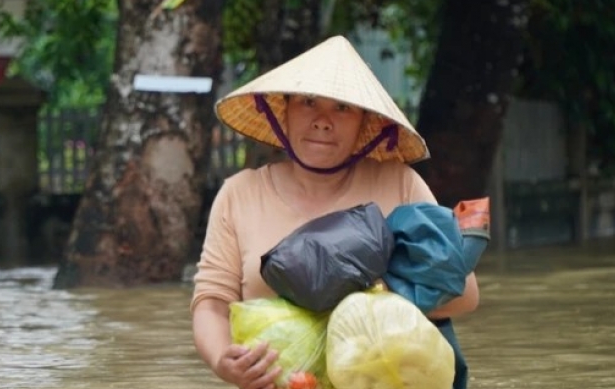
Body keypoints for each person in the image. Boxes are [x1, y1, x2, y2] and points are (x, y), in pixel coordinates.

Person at [190, 35, 480, 389]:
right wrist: (223, 361)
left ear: (364, 123)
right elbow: (212, 303)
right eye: (308, 102)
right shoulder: (240, 193)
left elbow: (465, 293)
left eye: (342, 107)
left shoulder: (400, 184)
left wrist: (362, 304)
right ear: (284, 111)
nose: (323, 121)